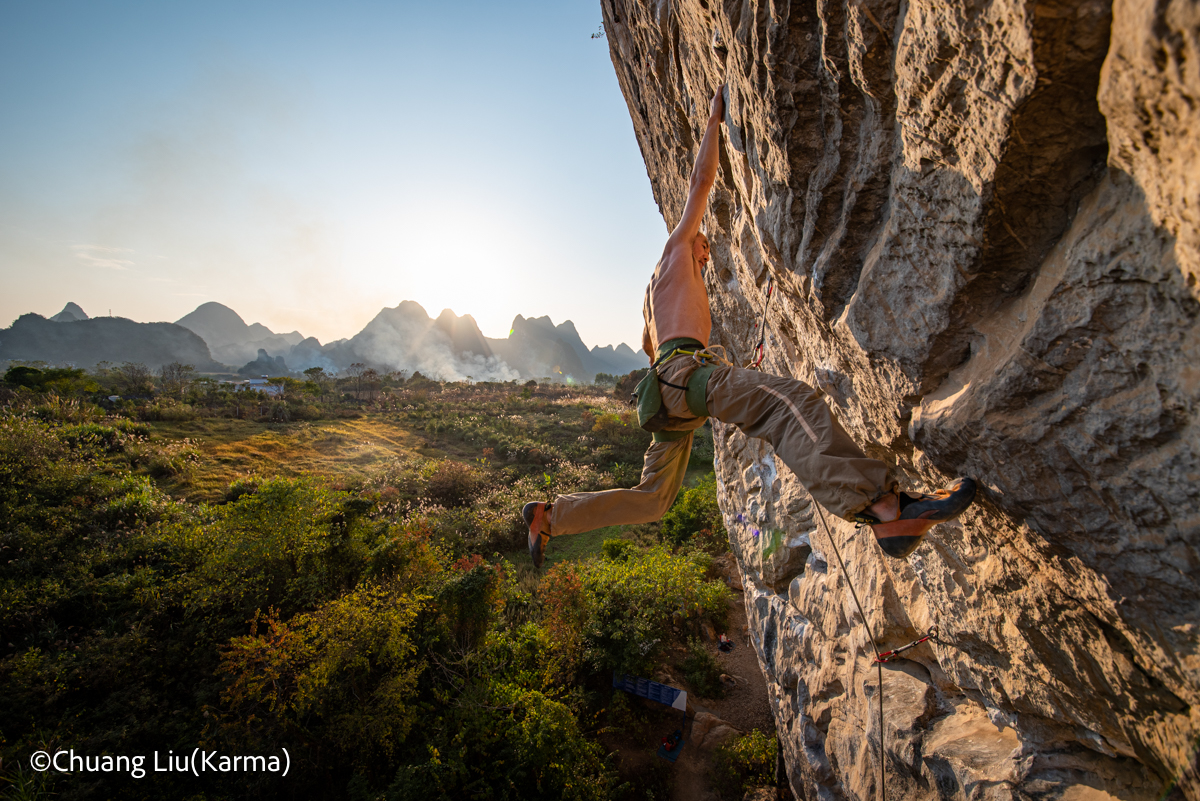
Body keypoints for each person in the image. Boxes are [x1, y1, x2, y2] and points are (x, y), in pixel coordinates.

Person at [523, 85, 975, 568]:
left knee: (654, 499)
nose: (706, 252)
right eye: (704, 245)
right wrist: (712, 122)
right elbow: (700, 183)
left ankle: (552, 518)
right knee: (788, 404)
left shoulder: (652, 299)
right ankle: (885, 508)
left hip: (667, 393)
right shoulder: (676, 251)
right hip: (685, 378)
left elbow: (649, 347)